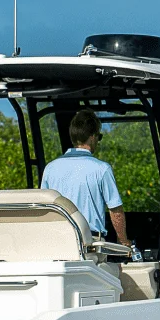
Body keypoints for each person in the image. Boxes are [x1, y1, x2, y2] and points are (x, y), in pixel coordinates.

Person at [40, 109, 136, 256]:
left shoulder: (50, 168)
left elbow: (44, 208)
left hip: (57, 242)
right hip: (90, 244)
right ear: (92, 137)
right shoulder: (102, 169)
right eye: (99, 136)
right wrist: (123, 242)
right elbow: (115, 211)